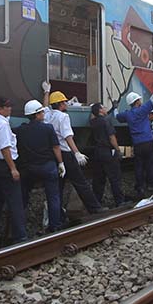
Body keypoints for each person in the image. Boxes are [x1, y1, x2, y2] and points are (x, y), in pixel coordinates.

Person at [42, 82, 106, 216]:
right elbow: (68, 137)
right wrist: (77, 153)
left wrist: (46, 92)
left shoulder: (47, 115)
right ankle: (95, 208)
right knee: (80, 182)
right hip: (66, 154)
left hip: (54, 155)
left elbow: (45, 106)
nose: (66, 104)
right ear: (60, 104)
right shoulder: (63, 117)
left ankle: (56, 213)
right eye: (64, 102)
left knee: (58, 186)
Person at [16, 99, 66, 232]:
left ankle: (19, 227)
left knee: (22, 196)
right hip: (47, 167)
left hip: (28, 168)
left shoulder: (21, 129)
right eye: (42, 112)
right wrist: (60, 163)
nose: (43, 113)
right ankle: (54, 226)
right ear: (37, 114)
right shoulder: (48, 128)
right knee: (53, 196)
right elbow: (56, 147)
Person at [0, 96, 27, 244]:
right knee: (15, 201)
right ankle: (20, 236)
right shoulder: (2, 124)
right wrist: (13, 168)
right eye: (7, 106)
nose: (10, 108)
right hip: (4, 165)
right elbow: (5, 147)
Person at [115, 83, 153, 197]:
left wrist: (115, 107)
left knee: (139, 166)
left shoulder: (127, 115)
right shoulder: (143, 110)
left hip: (137, 144)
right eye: (139, 100)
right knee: (151, 163)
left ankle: (140, 187)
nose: (141, 101)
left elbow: (116, 116)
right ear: (137, 102)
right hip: (148, 142)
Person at [89, 103, 126, 207]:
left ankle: (97, 202)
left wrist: (94, 109)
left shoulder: (93, 122)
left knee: (99, 179)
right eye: (104, 107)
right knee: (114, 177)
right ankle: (120, 201)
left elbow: (92, 115)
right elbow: (111, 137)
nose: (105, 108)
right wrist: (118, 150)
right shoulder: (106, 121)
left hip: (97, 152)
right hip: (107, 152)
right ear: (100, 110)